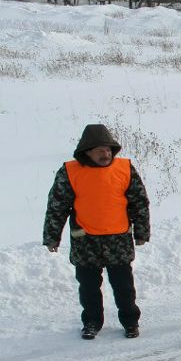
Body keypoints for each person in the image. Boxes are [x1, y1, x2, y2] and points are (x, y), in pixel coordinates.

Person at [43, 124, 151, 340]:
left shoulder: (125, 168)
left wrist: (141, 232)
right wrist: (52, 236)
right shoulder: (70, 172)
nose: (107, 153)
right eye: (101, 149)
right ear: (87, 151)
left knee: (124, 287)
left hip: (118, 240)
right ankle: (92, 322)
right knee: (89, 288)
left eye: (109, 149)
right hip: (85, 241)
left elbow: (139, 202)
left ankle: (131, 322)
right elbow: (57, 206)